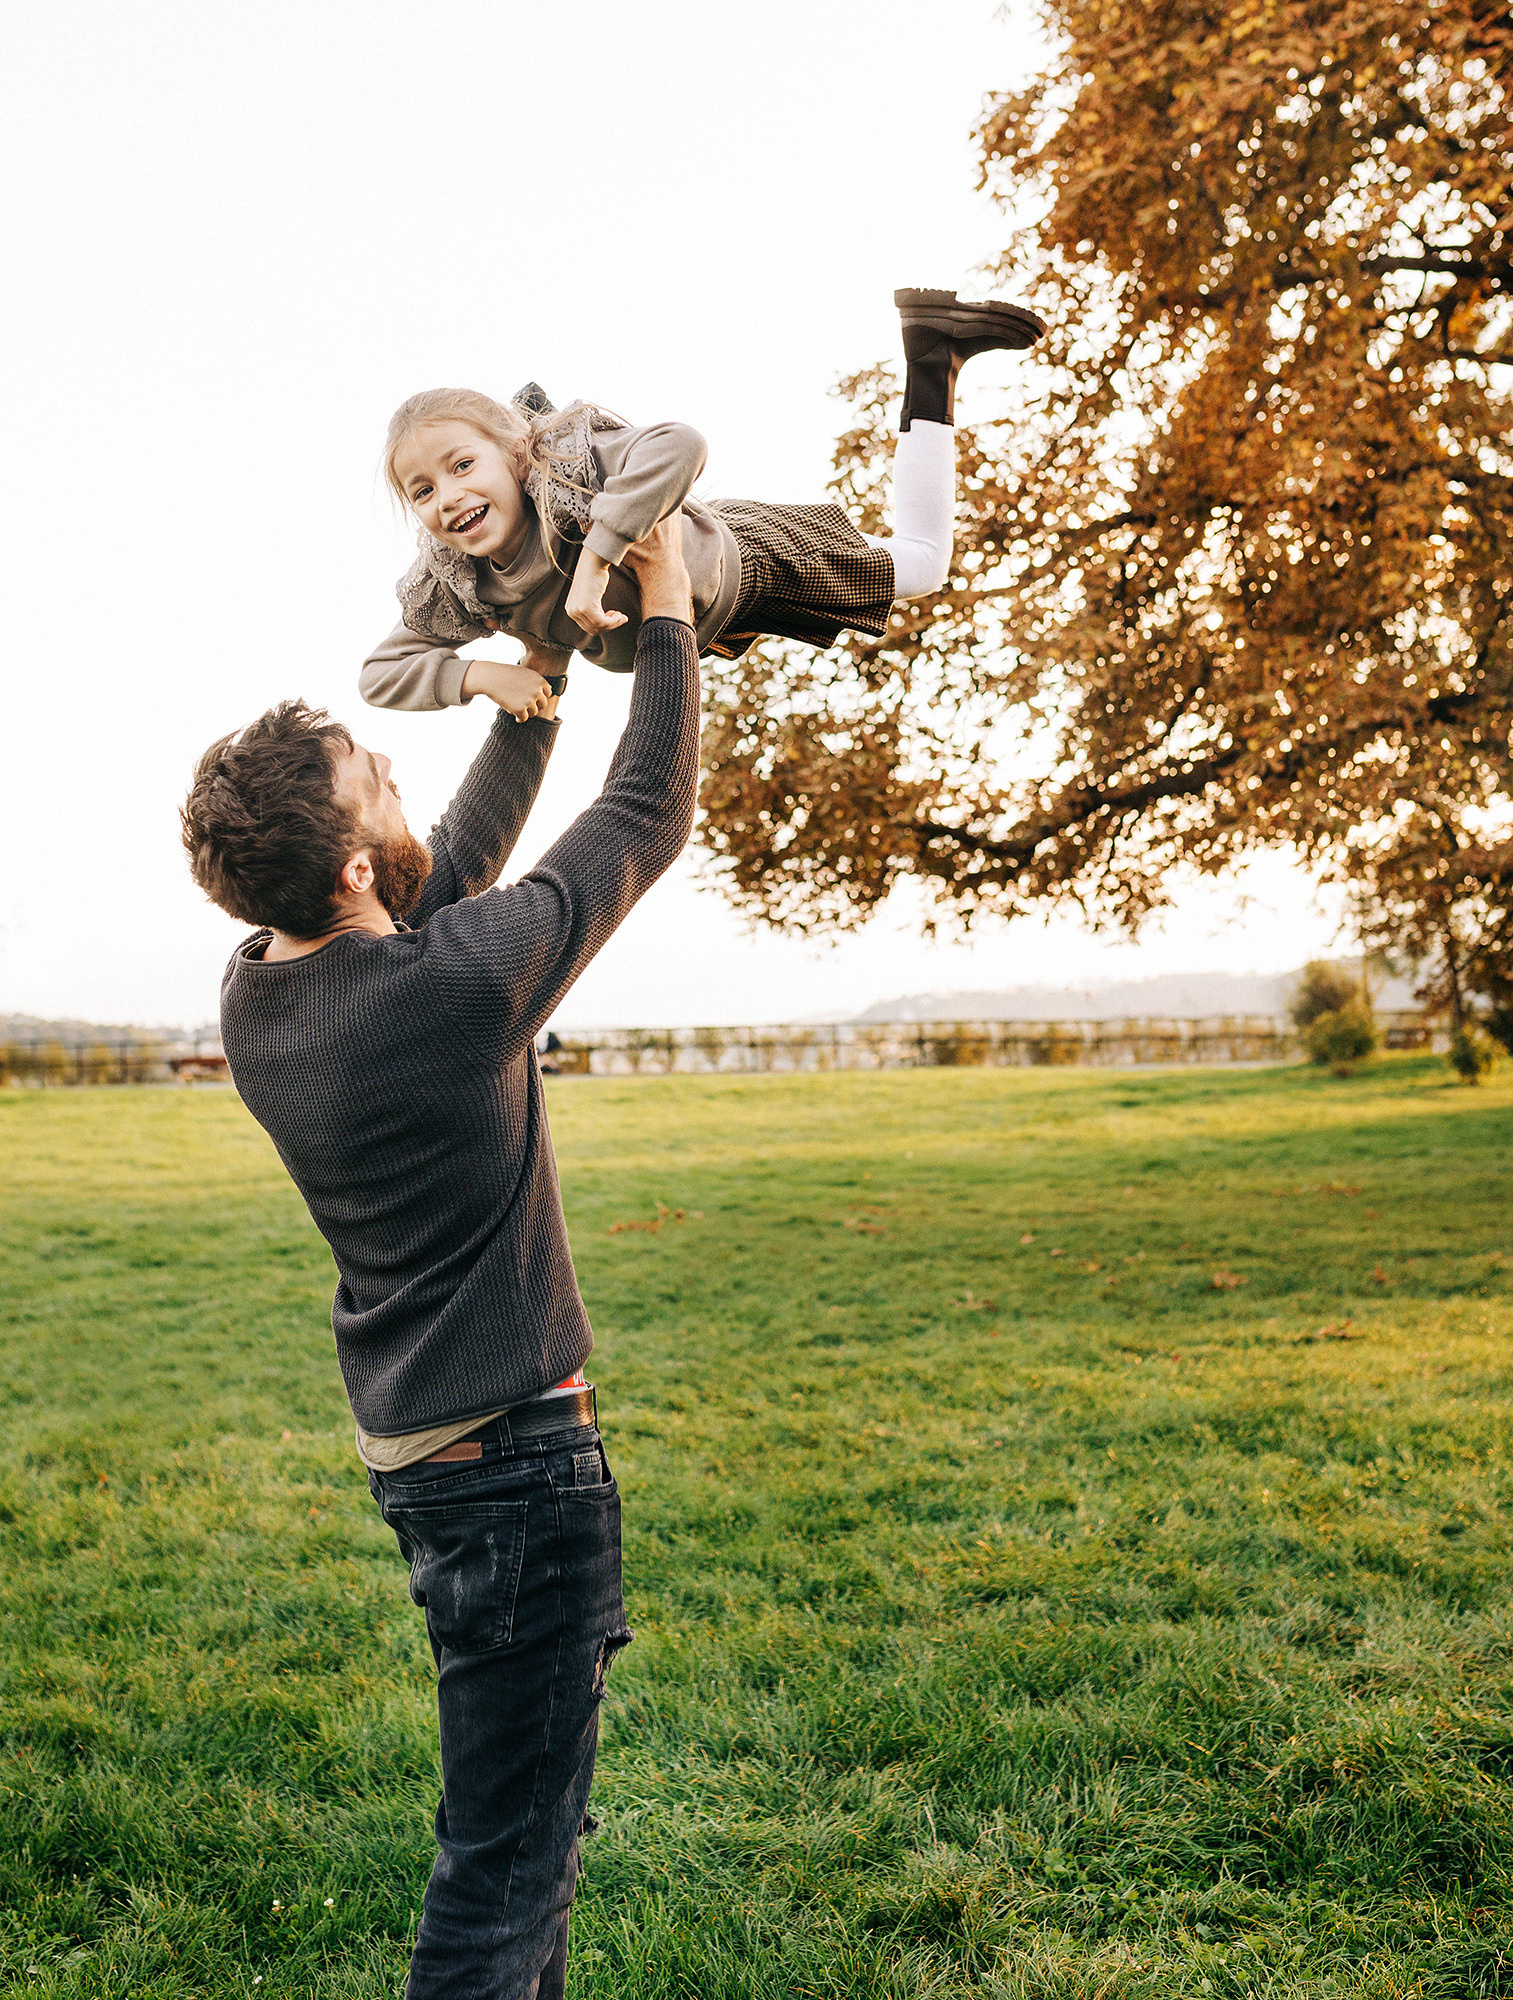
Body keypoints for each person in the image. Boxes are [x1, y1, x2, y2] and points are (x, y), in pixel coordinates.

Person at [180, 517, 700, 2000]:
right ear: (352, 863)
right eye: (377, 777)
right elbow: (646, 818)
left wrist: (533, 679)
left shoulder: (262, 987)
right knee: (505, 1874)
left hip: (431, 1460)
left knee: (504, 1836)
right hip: (515, 1474)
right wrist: (661, 617)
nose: (401, 773)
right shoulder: (442, 991)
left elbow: (445, 862)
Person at [361, 288, 1044, 717]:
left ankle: (933, 354)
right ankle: (935, 352)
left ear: (515, 454)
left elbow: (678, 444)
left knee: (922, 565)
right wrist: (480, 675)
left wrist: (597, 558)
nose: (448, 497)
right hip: (706, 627)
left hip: (752, 561)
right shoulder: (454, 584)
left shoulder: (570, 471)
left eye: (462, 465)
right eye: (422, 490)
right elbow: (379, 676)